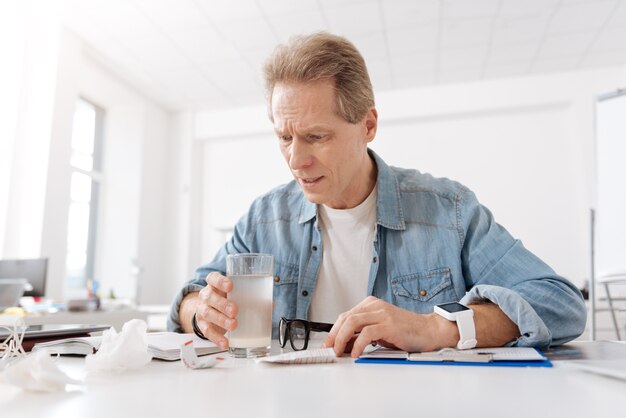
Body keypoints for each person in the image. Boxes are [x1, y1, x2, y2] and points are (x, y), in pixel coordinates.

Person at [167, 32, 586, 358]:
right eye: (284, 137)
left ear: (367, 126)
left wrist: (437, 328)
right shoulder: (263, 219)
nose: (296, 159)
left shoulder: (449, 212)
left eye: (316, 136)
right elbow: (189, 298)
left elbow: (560, 303)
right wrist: (201, 315)